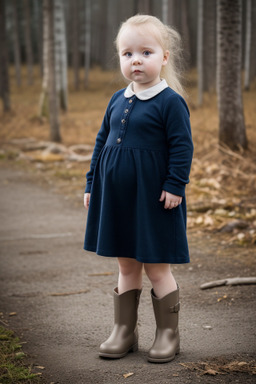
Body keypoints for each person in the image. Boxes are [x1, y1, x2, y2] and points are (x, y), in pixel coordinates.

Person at [83, 14, 193, 363]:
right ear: (120, 59)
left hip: (155, 199)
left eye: (146, 52)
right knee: (127, 265)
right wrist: (91, 184)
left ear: (163, 57)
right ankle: (124, 331)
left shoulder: (170, 101)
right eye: (127, 53)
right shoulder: (118, 98)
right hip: (117, 198)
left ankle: (167, 334)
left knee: (157, 267)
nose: (136, 60)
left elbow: (182, 147)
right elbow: (102, 143)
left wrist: (175, 184)